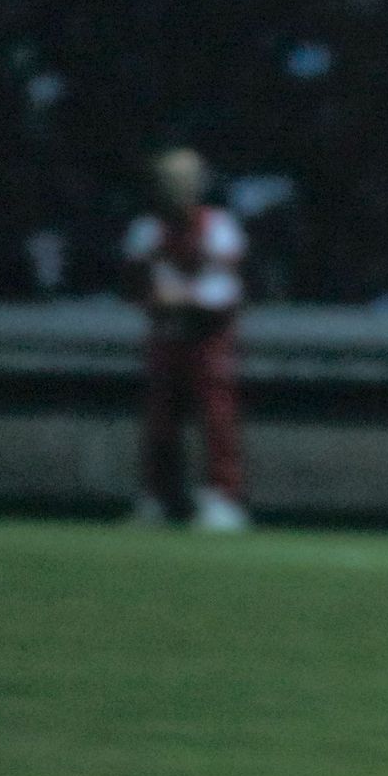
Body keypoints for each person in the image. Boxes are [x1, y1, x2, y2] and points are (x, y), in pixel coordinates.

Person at [122, 148, 251, 533]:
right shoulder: (146, 230)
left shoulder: (218, 225)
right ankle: (159, 497)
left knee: (216, 419)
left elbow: (224, 291)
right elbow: (135, 286)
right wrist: (159, 299)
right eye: (167, 180)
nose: (175, 188)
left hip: (206, 338)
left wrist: (181, 297)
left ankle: (223, 498)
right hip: (166, 337)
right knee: (160, 421)